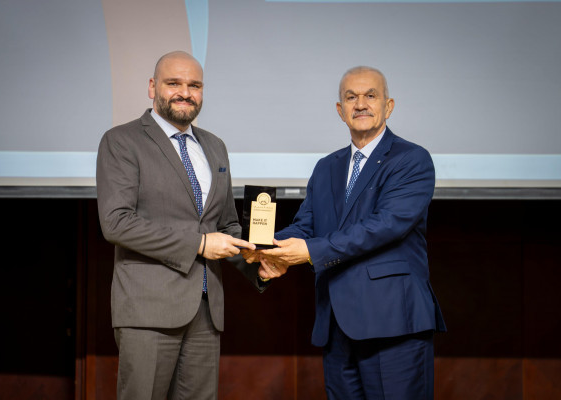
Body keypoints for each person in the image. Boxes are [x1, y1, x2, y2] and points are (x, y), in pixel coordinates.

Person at [244, 66, 446, 399]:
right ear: (340, 110)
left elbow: (385, 226)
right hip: (336, 325)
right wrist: (267, 247)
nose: (360, 104)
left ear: (389, 106)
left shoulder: (411, 159)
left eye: (371, 95)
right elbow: (307, 225)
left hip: (392, 323)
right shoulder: (327, 166)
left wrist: (311, 252)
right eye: (351, 97)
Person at [96, 51, 266, 400]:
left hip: (206, 311)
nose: (185, 93)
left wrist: (258, 263)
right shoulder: (122, 141)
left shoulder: (215, 147)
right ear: (152, 87)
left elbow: (226, 225)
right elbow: (116, 223)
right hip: (148, 310)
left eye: (194, 85)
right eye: (173, 83)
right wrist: (199, 244)